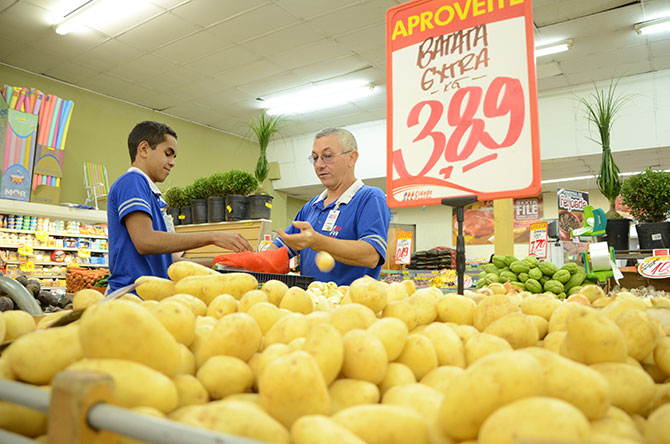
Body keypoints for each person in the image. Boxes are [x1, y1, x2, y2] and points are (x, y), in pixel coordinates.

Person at [107, 121, 252, 291]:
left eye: (174, 157)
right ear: (144, 149)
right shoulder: (132, 182)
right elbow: (145, 241)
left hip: (151, 298)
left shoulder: (150, 194)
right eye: (168, 154)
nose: (172, 162)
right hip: (130, 297)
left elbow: (173, 262)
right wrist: (212, 236)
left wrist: (225, 262)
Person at [270, 127, 391, 285]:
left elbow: (371, 255)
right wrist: (244, 261)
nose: (319, 165)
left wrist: (316, 241)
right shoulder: (310, 207)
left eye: (327, 156)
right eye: (315, 158)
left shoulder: (370, 198)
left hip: (351, 305)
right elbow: (279, 249)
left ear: (352, 158)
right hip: (310, 303)